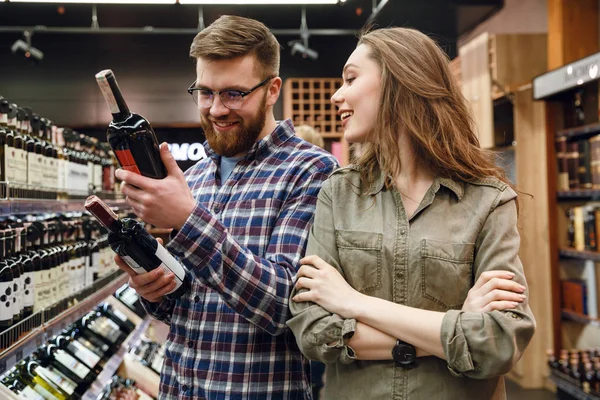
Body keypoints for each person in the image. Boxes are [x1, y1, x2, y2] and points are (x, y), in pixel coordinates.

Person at [287, 27, 536, 400]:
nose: (337, 95)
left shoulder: (489, 201)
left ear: (399, 82)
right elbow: (313, 330)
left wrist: (355, 303)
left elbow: (498, 342)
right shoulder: (338, 193)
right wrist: (452, 330)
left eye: (351, 79)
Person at [112, 15, 339, 399]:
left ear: (272, 90)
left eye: (234, 93)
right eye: (205, 92)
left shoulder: (312, 171)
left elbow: (286, 308)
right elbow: (185, 309)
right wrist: (154, 291)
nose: (216, 109)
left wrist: (187, 220)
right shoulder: (195, 178)